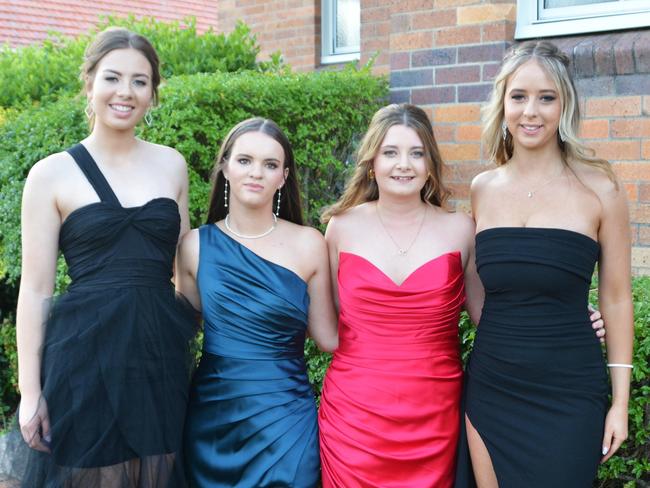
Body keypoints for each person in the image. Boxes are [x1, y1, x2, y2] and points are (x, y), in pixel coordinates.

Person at [15, 28, 195, 486]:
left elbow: (185, 267)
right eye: (113, 77)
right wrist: (30, 391)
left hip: (158, 356)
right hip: (83, 356)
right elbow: (36, 289)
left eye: (140, 81)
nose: (126, 92)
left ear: (153, 94)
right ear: (90, 83)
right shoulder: (50, 174)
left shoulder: (172, 164)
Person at [459, 41, 633, 488]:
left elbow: (615, 298)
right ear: (502, 104)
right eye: (518, 96)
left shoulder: (602, 189)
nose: (530, 111)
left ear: (565, 106)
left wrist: (619, 404)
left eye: (546, 97)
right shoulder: (482, 189)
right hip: (493, 386)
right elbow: (473, 285)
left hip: (570, 392)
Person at [317, 103, 483, 487]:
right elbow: (331, 324)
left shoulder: (461, 229)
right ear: (372, 161)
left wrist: (560, 314)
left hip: (435, 414)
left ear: (430, 162)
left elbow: (488, 316)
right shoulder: (340, 228)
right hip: (354, 415)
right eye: (390, 152)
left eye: (416, 153)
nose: (403, 164)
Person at [176, 118, 338, 487]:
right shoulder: (194, 246)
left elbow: (329, 339)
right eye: (245, 160)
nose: (256, 173)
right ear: (225, 167)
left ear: (283, 177)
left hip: (286, 421)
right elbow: (182, 333)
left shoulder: (309, 243)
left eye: (270, 164)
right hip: (214, 421)